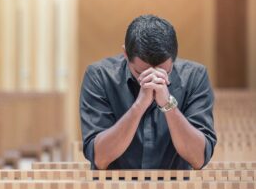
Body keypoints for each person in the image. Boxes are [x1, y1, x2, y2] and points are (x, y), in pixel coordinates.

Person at [79, 15, 217, 170]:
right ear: (125, 54)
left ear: (174, 58)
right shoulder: (99, 76)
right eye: (141, 73)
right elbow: (100, 158)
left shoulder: (195, 76)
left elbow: (198, 158)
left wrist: (168, 104)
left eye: (163, 72)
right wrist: (139, 106)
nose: (152, 81)